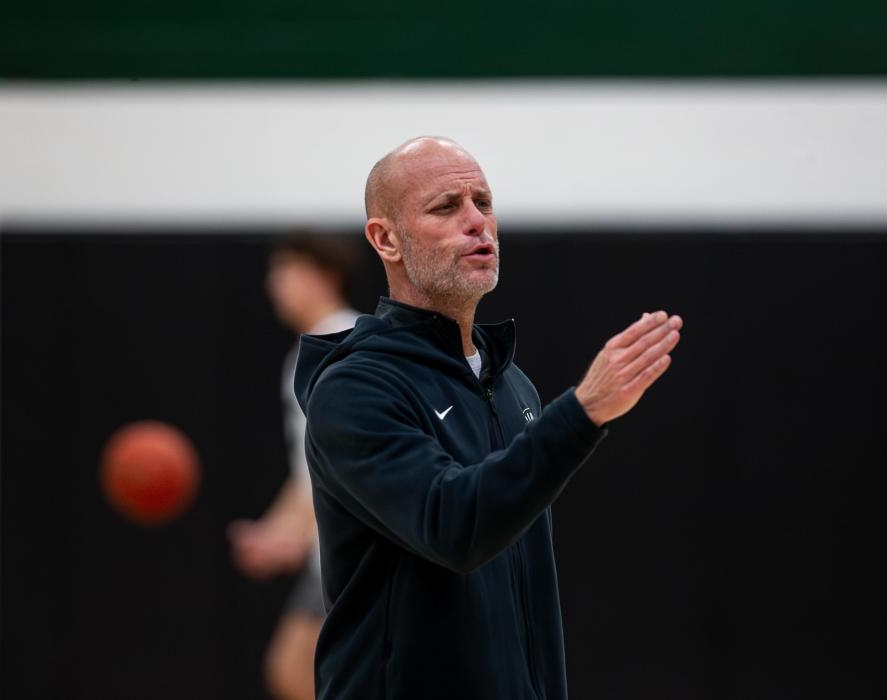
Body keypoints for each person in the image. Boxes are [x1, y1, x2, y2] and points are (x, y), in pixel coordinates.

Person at [293, 137, 684, 699]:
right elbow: (455, 526)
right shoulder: (355, 388)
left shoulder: (509, 381)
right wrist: (581, 412)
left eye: (484, 202)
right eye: (445, 206)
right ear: (385, 240)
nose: (477, 222)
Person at [228, 235, 360, 700]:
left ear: (323, 276)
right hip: (330, 549)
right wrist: (276, 529)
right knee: (299, 671)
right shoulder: (307, 351)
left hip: (354, 549)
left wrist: (293, 531)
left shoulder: (341, 345)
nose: (273, 285)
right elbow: (310, 466)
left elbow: (342, 459)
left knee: (296, 668)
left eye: (284, 272)